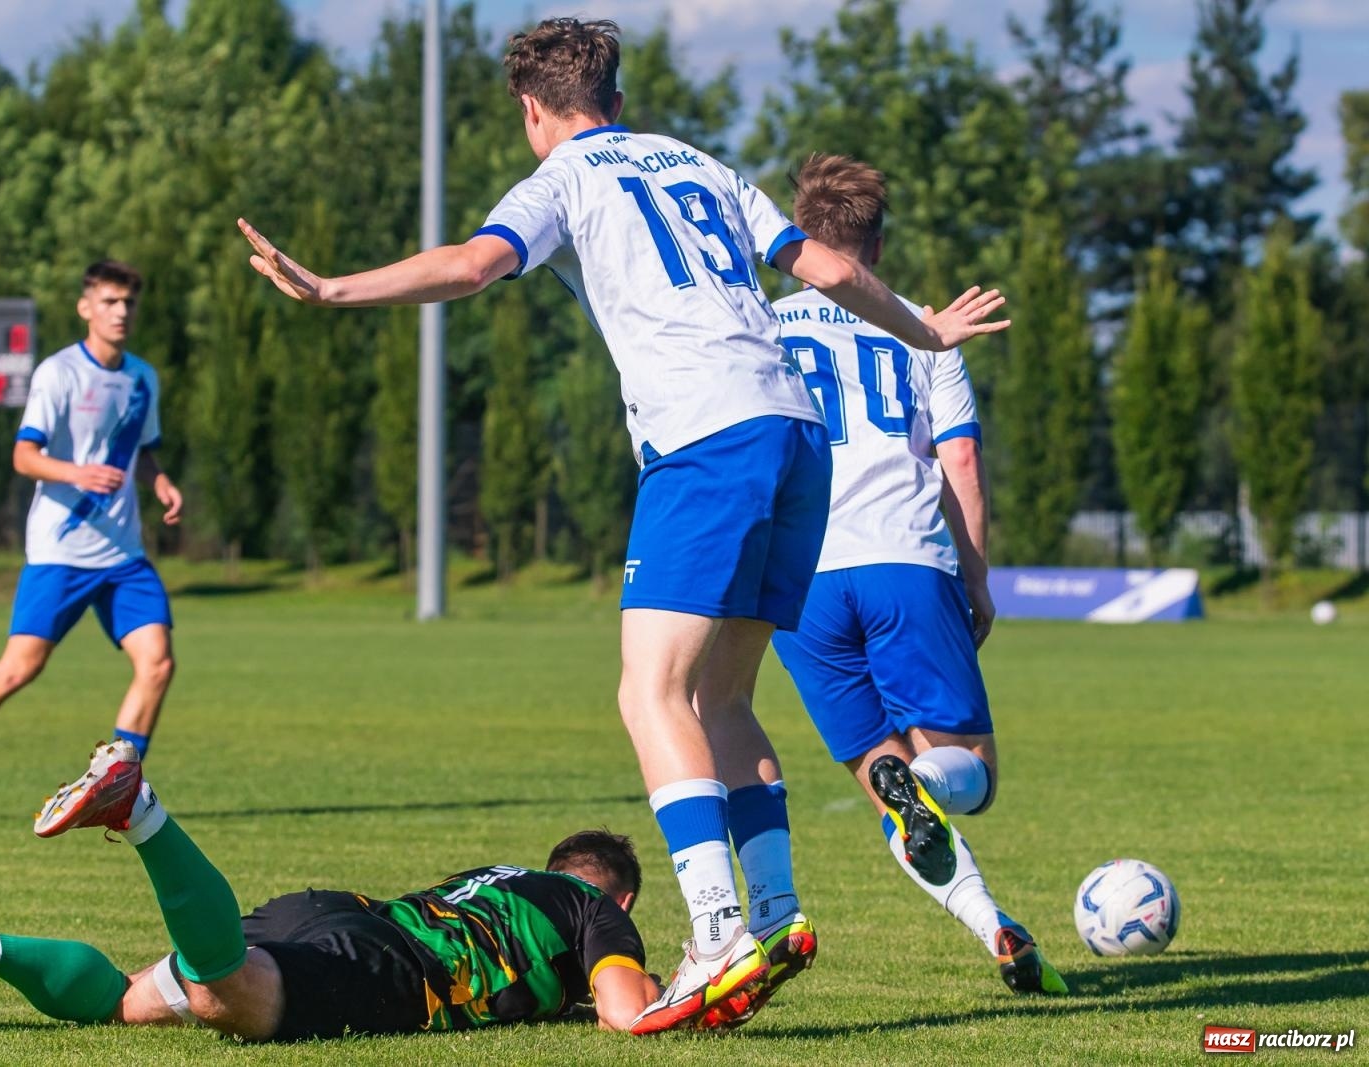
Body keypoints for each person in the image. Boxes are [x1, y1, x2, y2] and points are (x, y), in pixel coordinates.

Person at [237, 18, 1009, 1032]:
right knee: (723, 696)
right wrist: (922, 329)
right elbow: (821, 267)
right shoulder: (702, 162)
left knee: (650, 688)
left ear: (533, 107)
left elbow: (473, 266)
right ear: (611, 86)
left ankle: (720, 927)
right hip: (794, 436)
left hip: (706, 438)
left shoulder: (563, 176)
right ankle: (774, 911)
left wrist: (333, 288)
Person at [767, 154, 1066, 995]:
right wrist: (977, 580)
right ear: (880, 240)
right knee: (970, 773)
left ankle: (993, 926)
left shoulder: (764, 324)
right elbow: (960, 459)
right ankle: (925, 779)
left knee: (883, 782)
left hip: (802, 585)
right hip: (902, 558)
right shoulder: (921, 326)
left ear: (800, 236)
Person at [0, 740, 667, 1038]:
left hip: (337, 912)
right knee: (225, 989)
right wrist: (662, 986)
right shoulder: (595, 908)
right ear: (618, 899)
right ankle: (139, 812)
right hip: (388, 961)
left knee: (126, 1000)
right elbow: (629, 1011)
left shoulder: (493, 880)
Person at [0, 261, 184, 824]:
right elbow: (25, 455)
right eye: (110, 301)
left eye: (129, 304)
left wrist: (161, 481)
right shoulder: (59, 373)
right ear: (86, 307)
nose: (121, 312)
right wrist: (78, 473)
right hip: (61, 550)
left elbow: (140, 451)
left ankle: (117, 788)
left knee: (158, 663)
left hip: (123, 555)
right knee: (18, 669)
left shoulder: (144, 377)